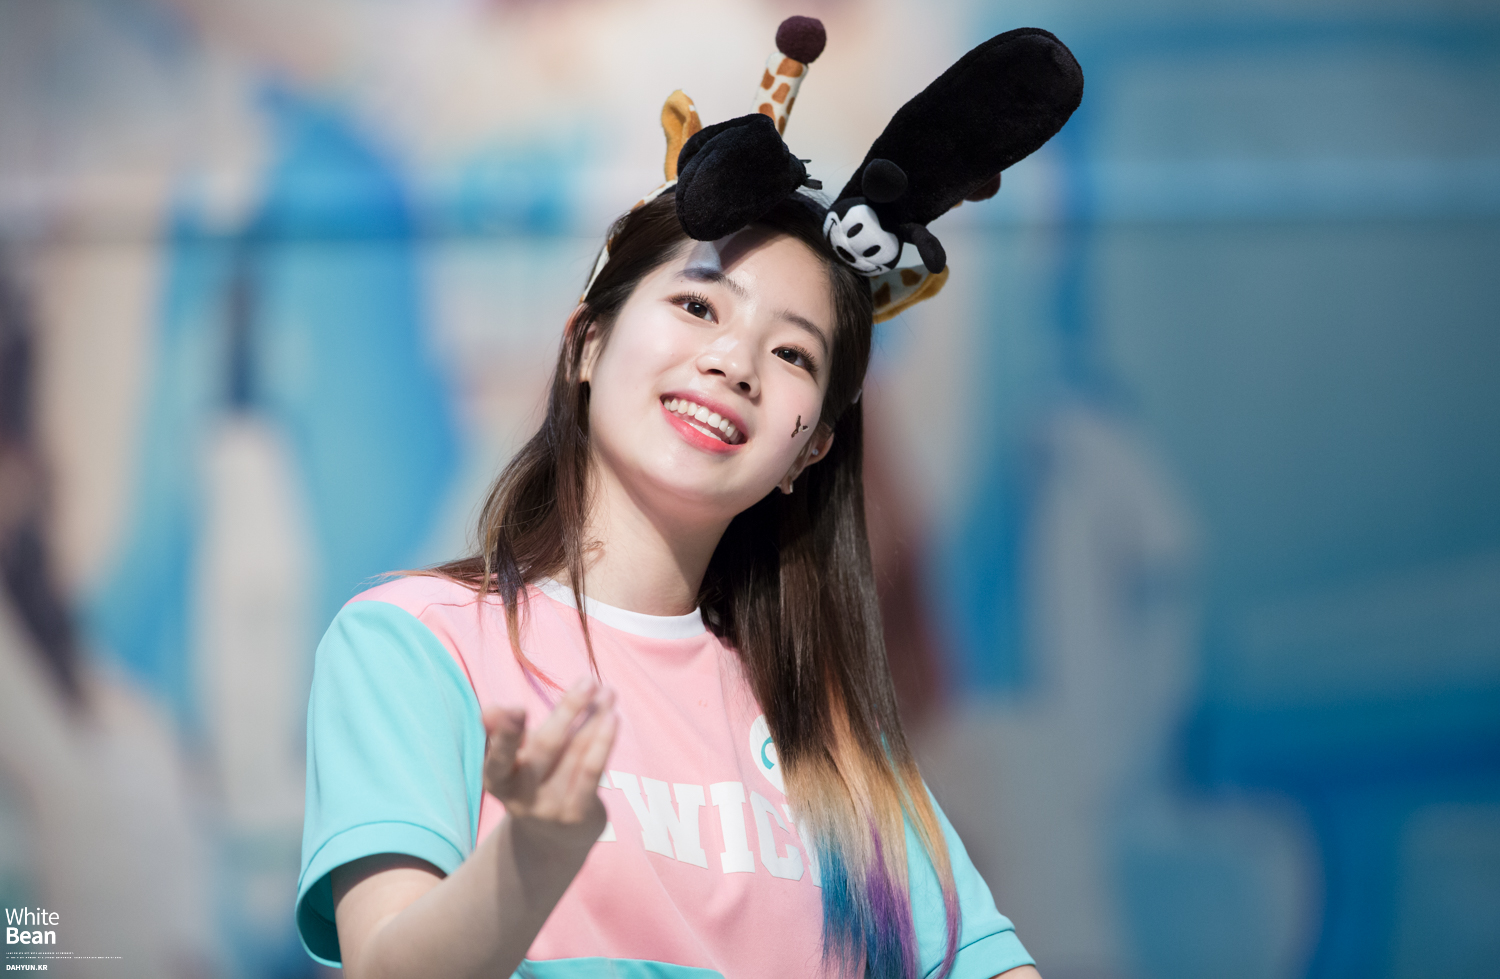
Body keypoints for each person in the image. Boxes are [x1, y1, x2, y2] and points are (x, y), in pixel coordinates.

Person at [294, 188, 1042, 979]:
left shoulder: (825, 726)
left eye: (793, 353)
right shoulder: (415, 642)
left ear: (811, 450)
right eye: (697, 306)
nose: (734, 363)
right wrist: (529, 857)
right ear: (586, 344)